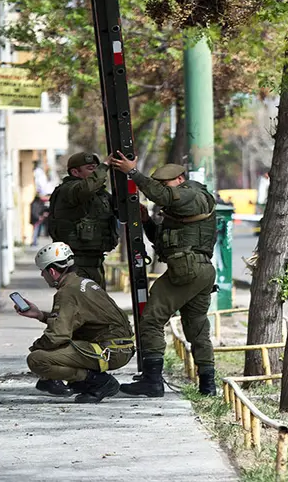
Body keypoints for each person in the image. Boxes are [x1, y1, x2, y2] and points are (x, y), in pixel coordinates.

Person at [106, 153, 219, 397]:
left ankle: (152, 380)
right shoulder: (178, 209)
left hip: (188, 270)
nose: (161, 192)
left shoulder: (192, 195)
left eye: (165, 184)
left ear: (180, 179)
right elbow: (161, 241)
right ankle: (208, 386)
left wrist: (132, 173)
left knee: (151, 320)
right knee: (197, 326)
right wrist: (146, 221)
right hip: (196, 271)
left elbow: (167, 196)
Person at [17, 242, 135, 403]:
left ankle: (98, 382)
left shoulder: (67, 293)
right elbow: (72, 321)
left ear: (52, 271)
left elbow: (57, 336)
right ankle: (83, 382)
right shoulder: (83, 283)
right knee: (58, 347)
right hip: (119, 347)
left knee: (37, 359)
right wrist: (40, 315)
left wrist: (36, 347)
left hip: (110, 351)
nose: (42, 276)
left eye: (42, 272)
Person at [46, 152, 119, 288]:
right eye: (91, 169)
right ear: (75, 172)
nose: (97, 171)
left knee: (98, 305)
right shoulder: (69, 189)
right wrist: (105, 166)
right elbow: (85, 189)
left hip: (95, 262)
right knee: (79, 305)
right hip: (75, 265)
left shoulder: (100, 194)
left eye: (97, 168)